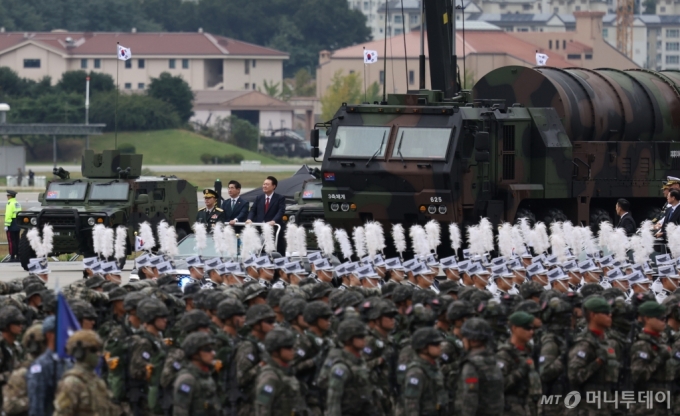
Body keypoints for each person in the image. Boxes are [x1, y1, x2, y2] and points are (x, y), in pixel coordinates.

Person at [567, 296, 618, 415]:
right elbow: (574, 376)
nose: (610, 316)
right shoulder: (585, 343)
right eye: (605, 313)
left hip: (605, 404)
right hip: (589, 407)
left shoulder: (605, 341)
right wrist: (597, 363)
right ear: (593, 315)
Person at [53, 330, 119, 416]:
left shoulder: (97, 381)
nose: (98, 354)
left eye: (99, 350)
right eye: (93, 350)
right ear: (79, 352)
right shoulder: (71, 383)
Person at [629, 301, 673, 415]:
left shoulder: (662, 342)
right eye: (660, 318)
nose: (664, 321)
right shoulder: (642, 344)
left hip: (663, 401)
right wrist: (660, 358)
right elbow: (639, 376)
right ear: (647, 319)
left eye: (665, 318)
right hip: (647, 405)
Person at [455, 317, 504, 416]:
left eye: (464, 338)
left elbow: (470, 399)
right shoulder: (493, 361)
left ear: (472, 340)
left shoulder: (471, 365)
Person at [496, 311, 542, 416]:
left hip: (531, 407)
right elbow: (499, 385)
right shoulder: (505, 354)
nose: (531, 332)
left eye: (532, 329)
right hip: (512, 409)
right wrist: (520, 372)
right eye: (527, 328)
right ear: (514, 328)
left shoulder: (531, 351)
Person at [254, 327, 307, 416]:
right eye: (288, 347)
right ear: (275, 351)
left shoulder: (287, 371)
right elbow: (262, 409)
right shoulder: (269, 376)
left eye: (292, 347)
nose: (292, 350)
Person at [27, 316, 72, 416]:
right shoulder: (41, 365)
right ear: (49, 335)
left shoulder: (67, 362)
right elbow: (36, 404)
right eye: (61, 331)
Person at [172, 332, 221, 416]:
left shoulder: (206, 375)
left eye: (212, 349)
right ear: (194, 353)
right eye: (207, 349)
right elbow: (180, 412)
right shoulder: (187, 380)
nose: (213, 353)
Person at [401, 327, 447, 416]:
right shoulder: (416, 372)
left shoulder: (433, 366)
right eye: (435, 344)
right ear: (423, 348)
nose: (440, 347)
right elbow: (411, 405)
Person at [4, 190, 21, 263]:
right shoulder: (17, 203)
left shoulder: (10, 203)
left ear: (10, 196)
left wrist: (6, 225)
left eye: (8, 195)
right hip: (17, 222)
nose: (7, 197)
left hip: (11, 223)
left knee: (11, 241)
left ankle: (12, 256)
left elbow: (8, 214)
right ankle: (18, 255)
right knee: (17, 240)